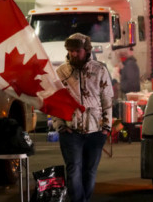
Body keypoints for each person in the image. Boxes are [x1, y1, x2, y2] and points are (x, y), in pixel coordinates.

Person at [53, 33, 114, 202]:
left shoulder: (99, 70)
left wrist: (106, 128)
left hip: (96, 131)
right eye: (70, 50)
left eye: (77, 50)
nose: (73, 54)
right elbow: (54, 102)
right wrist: (60, 126)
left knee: (90, 170)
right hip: (70, 131)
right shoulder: (61, 72)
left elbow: (107, 99)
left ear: (86, 50)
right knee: (73, 170)